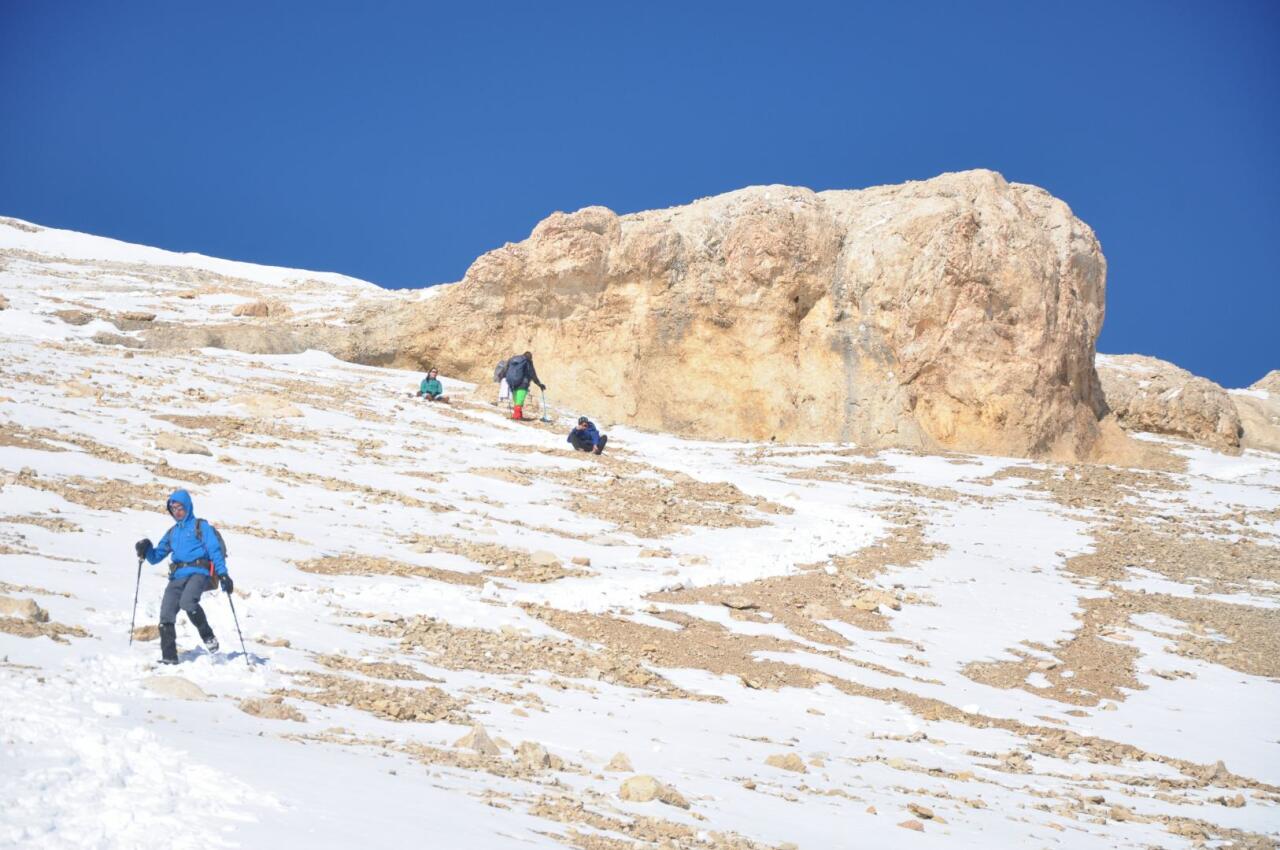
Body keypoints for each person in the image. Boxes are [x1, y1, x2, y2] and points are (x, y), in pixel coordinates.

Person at [134, 490, 233, 665]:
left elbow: (215, 550)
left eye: (180, 508)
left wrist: (223, 574)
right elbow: (156, 557)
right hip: (177, 576)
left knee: (187, 602)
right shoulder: (172, 532)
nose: (177, 512)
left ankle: (208, 636)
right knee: (166, 613)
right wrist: (146, 548)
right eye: (173, 509)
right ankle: (169, 657)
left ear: (188, 507)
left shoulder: (201, 527)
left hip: (198, 572)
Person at [504, 351, 545, 420]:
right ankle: (516, 416)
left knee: (517, 401)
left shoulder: (513, 359)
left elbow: (506, 369)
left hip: (513, 383)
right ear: (530, 357)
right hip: (523, 384)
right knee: (519, 401)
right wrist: (539, 384)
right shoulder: (527, 362)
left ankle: (518, 415)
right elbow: (532, 374)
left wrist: (504, 377)